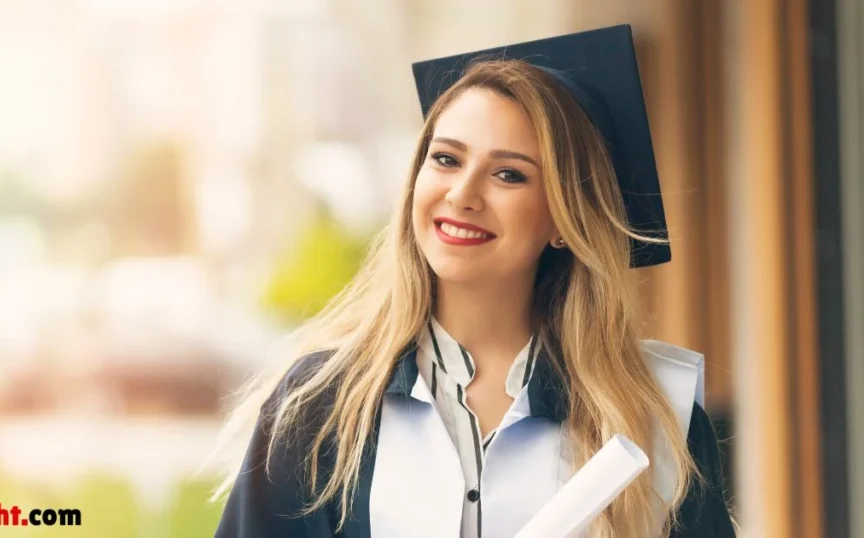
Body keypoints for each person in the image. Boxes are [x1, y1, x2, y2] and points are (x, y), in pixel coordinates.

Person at [212, 24, 737, 538]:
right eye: (446, 159)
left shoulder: (655, 421)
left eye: (509, 174)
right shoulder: (322, 405)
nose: (462, 194)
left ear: (564, 219)